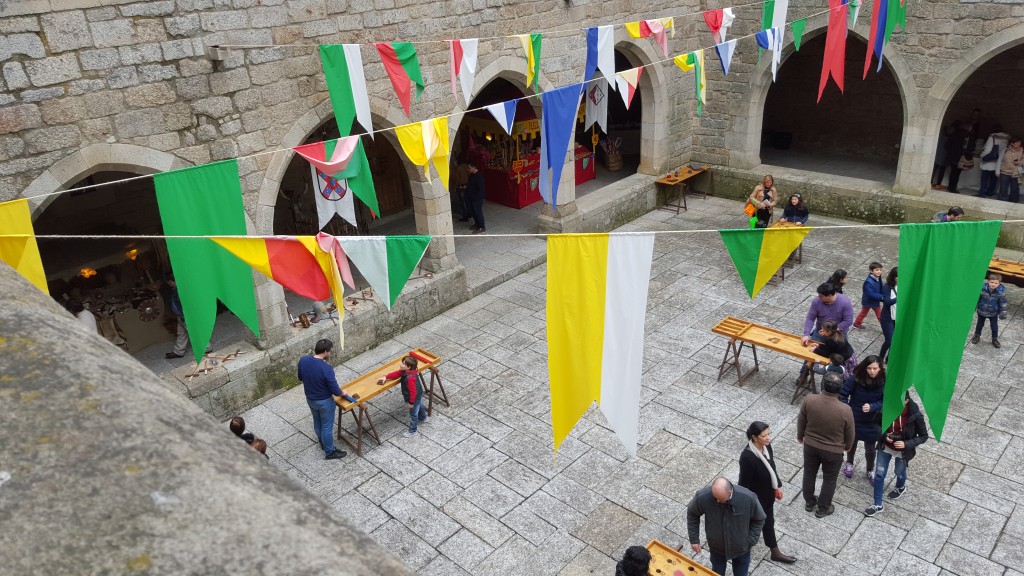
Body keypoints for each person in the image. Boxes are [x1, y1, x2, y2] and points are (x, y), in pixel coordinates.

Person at [797, 372, 855, 518]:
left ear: (823, 384)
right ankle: (823, 508)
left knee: (809, 473)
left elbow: (801, 421)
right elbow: (850, 432)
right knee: (829, 479)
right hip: (833, 451)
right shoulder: (845, 409)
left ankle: (809, 502)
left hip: (810, 445)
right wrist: (847, 446)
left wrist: (800, 435)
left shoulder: (809, 399)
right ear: (840, 388)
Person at [737, 422, 797, 564]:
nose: (768, 438)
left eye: (768, 434)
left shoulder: (767, 446)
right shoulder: (747, 458)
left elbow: (772, 467)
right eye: (764, 436)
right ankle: (741, 549)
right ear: (754, 437)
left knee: (768, 522)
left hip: (768, 494)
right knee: (755, 524)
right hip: (755, 499)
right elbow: (744, 484)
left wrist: (778, 485)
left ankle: (774, 552)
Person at [864, 391, 929, 517]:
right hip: (885, 446)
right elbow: (876, 425)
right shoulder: (886, 408)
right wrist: (884, 436)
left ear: (906, 401)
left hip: (903, 450)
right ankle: (878, 504)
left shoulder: (915, 415)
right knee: (879, 475)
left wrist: (906, 444)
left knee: (899, 472)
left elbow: (924, 436)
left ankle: (900, 487)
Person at [686, 477, 766, 576]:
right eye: (715, 497)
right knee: (717, 572)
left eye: (720, 498)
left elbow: (759, 519)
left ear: (730, 492)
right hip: (716, 548)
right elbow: (692, 513)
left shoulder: (748, 498)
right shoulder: (703, 496)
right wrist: (694, 539)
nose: (717, 501)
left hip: (741, 549)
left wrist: (750, 540)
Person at [297, 339, 347, 460]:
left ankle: (322, 442)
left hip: (310, 399)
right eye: (329, 351)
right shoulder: (326, 368)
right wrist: (342, 393)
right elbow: (335, 389)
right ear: (325, 352)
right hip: (324, 402)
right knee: (327, 426)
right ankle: (330, 451)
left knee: (317, 421)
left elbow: (300, 377)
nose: (330, 353)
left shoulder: (304, 360)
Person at [839, 356, 885, 483]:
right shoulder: (856, 379)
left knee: (870, 449)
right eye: (869, 368)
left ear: (880, 368)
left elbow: (886, 400)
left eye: (875, 368)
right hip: (854, 418)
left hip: (872, 420)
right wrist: (848, 410)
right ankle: (849, 463)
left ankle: (870, 469)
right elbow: (843, 394)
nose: (872, 371)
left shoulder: (884, 381)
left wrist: (873, 406)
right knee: (851, 443)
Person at [162, 274, 212, 360]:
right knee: (181, 334)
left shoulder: (180, 290)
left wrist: (185, 315)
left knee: (195, 332)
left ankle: (207, 348)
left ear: (171, 281)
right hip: (181, 316)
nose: (169, 284)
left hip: (185, 316)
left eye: (169, 282)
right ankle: (178, 351)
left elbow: (186, 304)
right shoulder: (178, 288)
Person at [379, 355, 428, 438]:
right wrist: (386, 377)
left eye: (403, 364)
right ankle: (423, 418)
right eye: (402, 363)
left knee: (413, 415)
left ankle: (413, 431)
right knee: (420, 405)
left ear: (408, 367)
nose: (401, 365)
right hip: (418, 395)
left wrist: (411, 403)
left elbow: (413, 392)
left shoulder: (410, 378)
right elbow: (397, 373)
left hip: (414, 397)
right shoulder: (406, 371)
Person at [801, 282, 854, 347]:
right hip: (820, 334)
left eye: (821, 296)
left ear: (829, 296)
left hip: (837, 335)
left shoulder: (845, 303)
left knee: (837, 352)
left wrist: (829, 331)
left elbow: (848, 321)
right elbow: (810, 318)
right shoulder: (816, 301)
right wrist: (806, 334)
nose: (818, 297)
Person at [971, 273, 1008, 348]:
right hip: (982, 311)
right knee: (979, 324)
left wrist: (1003, 313)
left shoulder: (1001, 292)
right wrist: (972, 308)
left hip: (993, 313)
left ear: (999, 283)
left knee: (994, 327)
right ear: (988, 281)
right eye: (992, 282)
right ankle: (977, 335)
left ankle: (994, 339)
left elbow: (1003, 303)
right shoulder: (982, 289)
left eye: (996, 283)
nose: (993, 284)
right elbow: (976, 299)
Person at [932, 121, 966, 193]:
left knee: (934, 169)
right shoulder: (956, 134)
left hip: (939, 153)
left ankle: (930, 182)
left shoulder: (942, 131)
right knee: (944, 171)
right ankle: (939, 184)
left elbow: (945, 145)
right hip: (947, 155)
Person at [977, 125, 1009, 198]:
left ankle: (982, 193)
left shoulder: (992, 137)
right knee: (994, 179)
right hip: (998, 161)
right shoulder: (1006, 138)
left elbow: (987, 149)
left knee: (984, 179)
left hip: (988, 162)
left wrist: (982, 155)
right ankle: (990, 192)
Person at [853, 262, 884, 329]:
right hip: (869, 301)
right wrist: (882, 297)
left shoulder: (877, 277)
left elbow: (881, 285)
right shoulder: (869, 282)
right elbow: (870, 294)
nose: (879, 271)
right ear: (871, 271)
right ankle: (885, 327)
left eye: (880, 270)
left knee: (866, 313)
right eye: (877, 270)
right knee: (878, 315)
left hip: (873, 300)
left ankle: (856, 323)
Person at [879, 267, 898, 364]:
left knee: (895, 340)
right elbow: (887, 302)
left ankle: (889, 358)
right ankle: (881, 357)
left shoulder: (903, 285)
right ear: (894, 277)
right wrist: (899, 298)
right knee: (889, 340)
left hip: (897, 317)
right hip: (887, 318)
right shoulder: (887, 287)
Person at [997, 137, 1023, 203]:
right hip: (1004, 172)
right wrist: (997, 171)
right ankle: (1002, 201)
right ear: (1012, 143)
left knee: (1015, 189)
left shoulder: (1022, 151)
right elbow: (999, 160)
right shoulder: (1005, 150)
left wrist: (1019, 162)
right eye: (1017, 142)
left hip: (1016, 173)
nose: (1018, 144)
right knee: (1003, 188)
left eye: (1019, 142)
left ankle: (1014, 202)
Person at [466, 159, 486, 234]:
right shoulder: (471, 175)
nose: (468, 169)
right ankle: (477, 224)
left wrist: (477, 198)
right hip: (472, 197)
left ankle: (482, 227)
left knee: (478, 212)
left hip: (477, 198)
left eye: (469, 168)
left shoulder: (479, 176)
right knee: (473, 212)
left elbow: (481, 189)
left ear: (474, 167)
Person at [453, 157, 471, 222]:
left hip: (460, 187)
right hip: (467, 186)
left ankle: (465, 217)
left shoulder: (458, 168)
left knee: (462, 203)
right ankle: (469, 214)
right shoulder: (467, 167)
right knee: (467, 201)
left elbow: (457, 179)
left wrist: (455, 187)